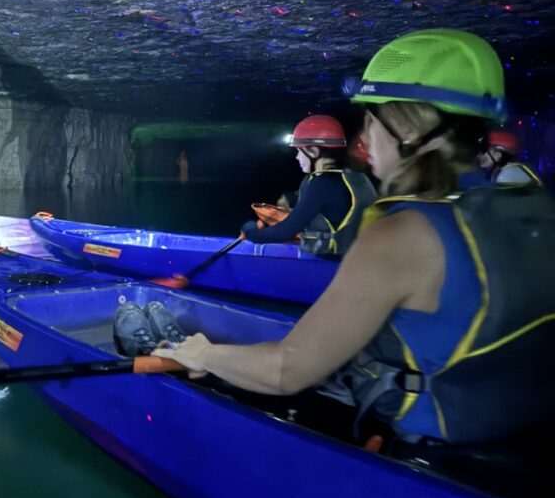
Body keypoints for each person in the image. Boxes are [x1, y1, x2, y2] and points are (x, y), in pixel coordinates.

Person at [154, 29, 555, 449]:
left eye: (371, 118)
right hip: (528, 441)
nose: (363, 136)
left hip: (430, 452)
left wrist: (202, 355)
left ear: (409, 129)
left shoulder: (404, 233)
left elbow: (285, 371)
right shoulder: (531, 204)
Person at [241, 116, 377, 258]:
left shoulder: (321, 183)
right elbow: (336, 205)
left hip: (334, 264)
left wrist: (251, 231)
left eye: (299, 151)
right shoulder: (357, 177)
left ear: (313, 151)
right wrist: (292, 199)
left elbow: (285, 232)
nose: (297, 157)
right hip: (362, 258)